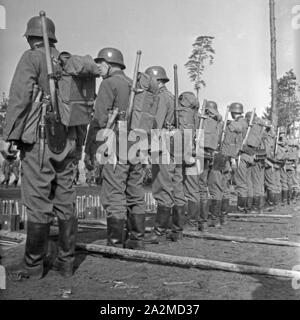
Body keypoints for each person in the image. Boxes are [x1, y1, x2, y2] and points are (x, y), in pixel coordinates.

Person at [4, 14, 84, 280]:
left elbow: (19, 97)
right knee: (65, 199)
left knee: (38, 202)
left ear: (30, 37)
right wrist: (79, 146)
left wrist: (9, 137)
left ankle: (33, 266)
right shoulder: (66, 62)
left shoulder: (32, 58)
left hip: (41, 140)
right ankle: (67, 263)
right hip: (68, 139)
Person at [85, 47, 147, 249]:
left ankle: (115, 242)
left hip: (115, 141)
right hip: (137, 142)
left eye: (100, 63)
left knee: (114, 192)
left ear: (110, 64)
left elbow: (100, 119)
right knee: (135, 191)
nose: (98, 68)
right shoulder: (134, 85)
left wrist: (91, 147)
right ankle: (136, 238)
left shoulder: (108, 84)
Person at [144, 66, 186, 242]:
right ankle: (177, 229)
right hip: (175, 142)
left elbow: (156, 124)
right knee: (176, 186)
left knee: (162, 187)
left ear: (157, 80)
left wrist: (148, 148)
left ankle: (159, 232)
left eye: (149, 80)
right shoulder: (172, 97)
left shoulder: (161, 97)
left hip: (162, 144)